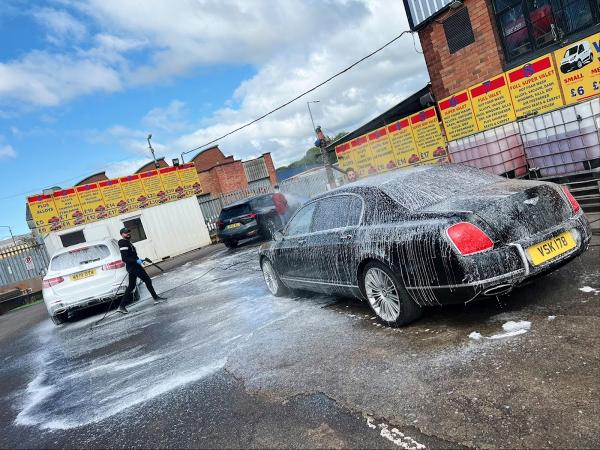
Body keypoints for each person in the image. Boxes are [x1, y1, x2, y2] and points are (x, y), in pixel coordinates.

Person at [116, 227, 166, 314]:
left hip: (134, 266)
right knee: (147, 280)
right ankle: (156, 298)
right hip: (133, 267)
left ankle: (121, 306)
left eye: (128, 232)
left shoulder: (127, 242)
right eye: (125, 233)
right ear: (122, 234)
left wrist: (140, 260)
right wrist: (136, 261)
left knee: (131, 286)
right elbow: (124, 258)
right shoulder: (123, 243)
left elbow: (131, 255)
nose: (128, 233)